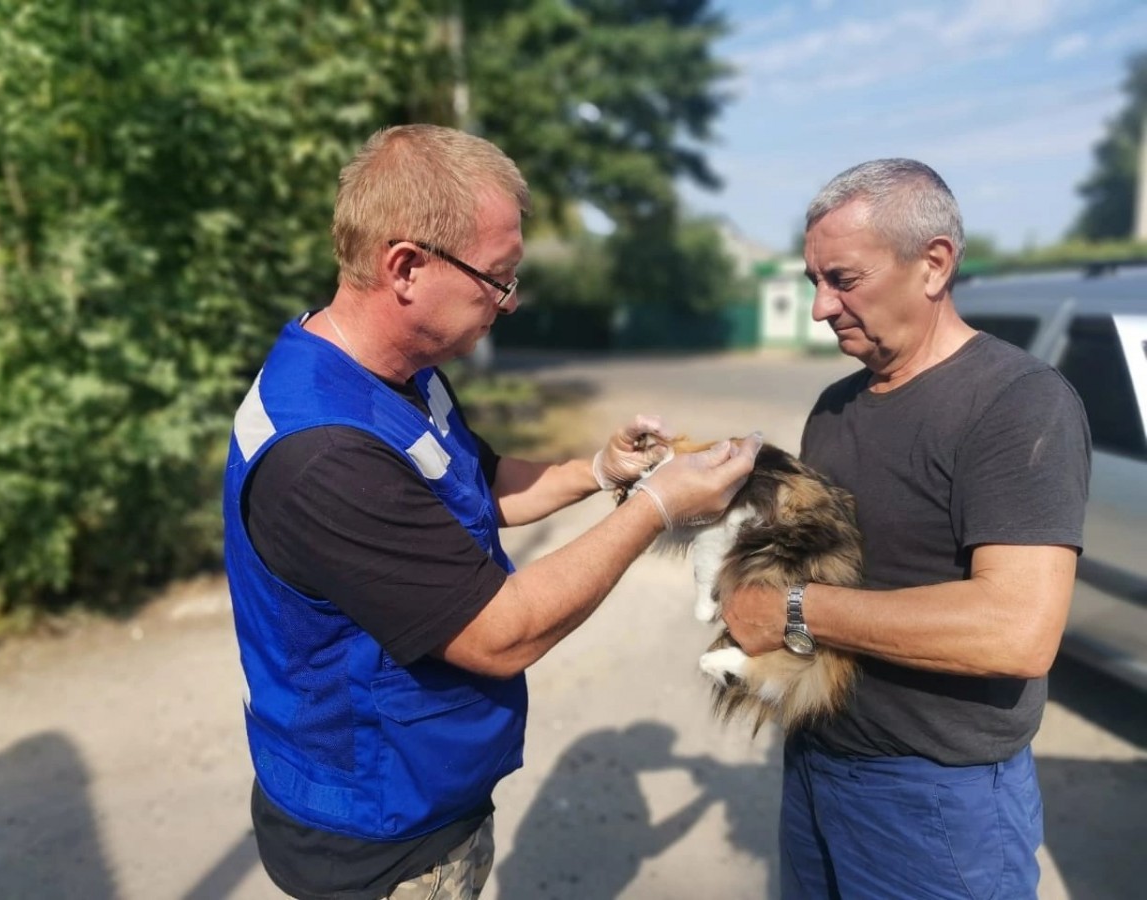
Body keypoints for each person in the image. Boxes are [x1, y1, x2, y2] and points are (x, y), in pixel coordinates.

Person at [221, 123, 761, 900]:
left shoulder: (390, 372)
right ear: (405, 267)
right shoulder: (324, 457)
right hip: (379, 841)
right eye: (498, 278)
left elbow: (476, 480)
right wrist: (655, 507)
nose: (510, 303)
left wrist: (598, 471)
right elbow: (500, 634)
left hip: (425, 791)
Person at [720, 159, 1091, 900]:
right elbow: (812, 552)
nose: (821, 307)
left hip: (937, 803)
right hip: (817, 767)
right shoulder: (834, 406)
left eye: (843, 280)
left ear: (934, 265)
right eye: (812, 282)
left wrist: (792, 611)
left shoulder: (1017, 403)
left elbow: (1016, 629)